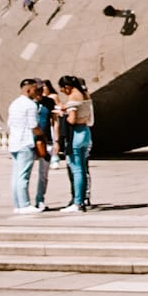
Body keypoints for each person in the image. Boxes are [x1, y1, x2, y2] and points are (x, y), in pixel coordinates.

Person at [58, 76, 94, 211]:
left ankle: (77, 201)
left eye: (63, 89)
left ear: (67, 87)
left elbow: (72, 120)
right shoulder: (85, 95)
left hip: (76, 133)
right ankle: (83, 198)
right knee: (83, 169)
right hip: (85, 131)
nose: (62, 92)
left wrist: (63, 114)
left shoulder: (73, 97)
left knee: (76, 169)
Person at [7, 79, 40, 213]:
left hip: (14, 141)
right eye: (34, 89)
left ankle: (18, 204)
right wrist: (42, 135)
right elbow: (33, 126)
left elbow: (10, 123)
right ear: (28, 89)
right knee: (23, 176)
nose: (36, 92)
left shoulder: (14, 104)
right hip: (25, 142)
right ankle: (25, 204)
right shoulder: (30, 105)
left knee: (16, 175)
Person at [31, 80, 57, 211]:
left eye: (42, 89)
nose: (40, 92)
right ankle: (24, 201)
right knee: (26, 172)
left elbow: (55, 121)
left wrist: (57, 140)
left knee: (43, 173)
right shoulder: (27, 103)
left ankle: (40, 199)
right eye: (38, 89)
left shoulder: (49, 102)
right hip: (29, 141)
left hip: (46, 141)